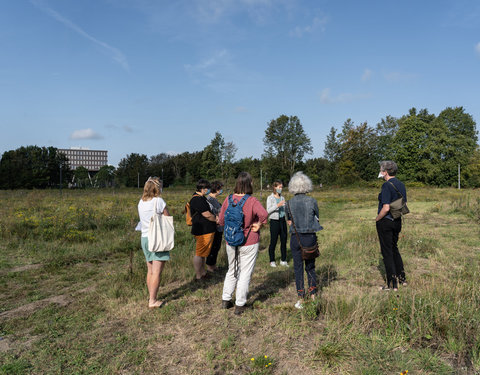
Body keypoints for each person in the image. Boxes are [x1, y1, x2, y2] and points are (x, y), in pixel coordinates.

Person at [218, 172, 268, 315]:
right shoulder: (252, 201)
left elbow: (221, 221)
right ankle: (240, 304)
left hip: (231, 240)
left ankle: (226, 299)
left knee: (232, 269)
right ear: (248, 184)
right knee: (245, 272)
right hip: (249, 240)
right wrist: (259, 224)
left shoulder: (228, 199)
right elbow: (264, 214)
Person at [286, 172, 323, 309]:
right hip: (309, 236)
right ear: (307, 185)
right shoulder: (312, 201)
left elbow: (289, 220)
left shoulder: (289, 203)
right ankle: (313, 294)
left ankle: (301, 297)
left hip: (296, 237)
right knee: (311, 266)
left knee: (298, 267)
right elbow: (317, 216)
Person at [137, 177, 170, 309]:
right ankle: (153, 300)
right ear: (157, 188)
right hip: (157, 237)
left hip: (144, 237)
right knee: (157, 271)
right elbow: (167, 218)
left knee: (150, 270)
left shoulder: (141, 202)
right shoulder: (159, 201)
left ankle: (151, 295)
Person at [376, 160, 407, 291]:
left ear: (385, 172)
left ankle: (392, 284)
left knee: (387, 252)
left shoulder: (386, 186)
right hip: (397, 220)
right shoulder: (401, 184)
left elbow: (386, 207)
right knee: (394, 249)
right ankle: (402, 279)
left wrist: (377, 218)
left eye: (382, 170)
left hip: (386, 221)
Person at [189, 179, 217, 281]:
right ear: (202, 188)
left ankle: (203, 272)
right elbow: (207, 214)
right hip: (202, 230)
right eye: (207, 188)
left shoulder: (201, 198)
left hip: (206, 229)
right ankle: (198, 275)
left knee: (203, 253)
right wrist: (216, 220)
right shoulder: (197, 199)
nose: (208, 190)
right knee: (199, 253)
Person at [266, 180, 288, 267]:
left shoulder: (282, 198)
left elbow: (285, 210)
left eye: (282, 187)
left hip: (282, 221)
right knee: (273, 241)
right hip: (274, 221)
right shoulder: (270, 198)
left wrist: (288, 218)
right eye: (279, 187)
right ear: (275, 187)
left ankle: (283, 260)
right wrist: (277, 206)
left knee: (284, 240)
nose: (281, 189)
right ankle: (272, 260)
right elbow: (268, 210)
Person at [206, 180, 224, 272]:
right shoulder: (209, 200)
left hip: (219, 226)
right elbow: (212, 212)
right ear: (216, 189)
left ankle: (213, 265)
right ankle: (210, 266)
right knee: (213, 247)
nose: (221, 190)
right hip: (214, 227)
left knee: (217, 246)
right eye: (220, 188)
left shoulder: (215, 200)